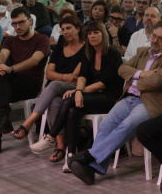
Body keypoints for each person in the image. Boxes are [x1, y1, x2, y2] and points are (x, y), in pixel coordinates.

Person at [68, 21, 162, 185]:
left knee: (126, 126)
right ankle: (92, 168)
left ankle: (89, 157)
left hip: (149, 103)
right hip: (129, 98)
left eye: (160, 39)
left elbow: (156, 81)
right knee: (106, 125)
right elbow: (122, 70)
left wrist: (133, 80)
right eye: (154, 36)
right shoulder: (142, 52)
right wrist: (142, 74)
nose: (155, 41)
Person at [30, 21, 123, 171]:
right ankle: (70, 156)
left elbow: (104, 83)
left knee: (68, 99)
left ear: (103, 34)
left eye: (96, 32)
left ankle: (50, 136)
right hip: (90, 97)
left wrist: (80, 92)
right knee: (72, 112)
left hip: (109, 98)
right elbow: (82, 76)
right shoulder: (89, 52)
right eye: (89, 33)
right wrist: (79, 90)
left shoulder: (113, 54)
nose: (92, 36)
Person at [11, 13, 85, 163]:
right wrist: (64, 77)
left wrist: (61, 78)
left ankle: (29, 123)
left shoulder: (86, 48)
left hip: (78, 87)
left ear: (78, 28)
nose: (65, 32)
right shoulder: (59, 48)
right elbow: (49, 73)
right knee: (55, 101)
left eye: (69, 28)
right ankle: (60, 145)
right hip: (60, 86)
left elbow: (75, 76)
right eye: (62, 29)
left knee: (54, 85)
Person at [0, 6, 50, 159]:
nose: (17, 27)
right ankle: (3, 120)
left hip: (30, 84)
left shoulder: (42, 39)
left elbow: (34, 61)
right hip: (9, 84)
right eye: (14, 24)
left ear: (30, 21)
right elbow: (2, 55)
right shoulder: (11, 40)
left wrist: (10, 69)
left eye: (21, 23)